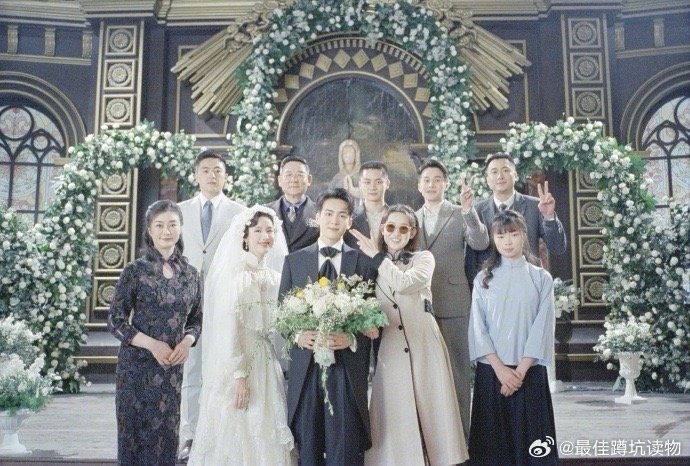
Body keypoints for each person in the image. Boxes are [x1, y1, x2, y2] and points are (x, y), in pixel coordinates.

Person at [351, 205, 469, 466]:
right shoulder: (370, 263)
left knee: (433, 408)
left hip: (424, 342)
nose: (396, 233)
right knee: (396, 411)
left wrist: (378, 257)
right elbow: (363, 301)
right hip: (390, 346)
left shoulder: (424, 258)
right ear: (382, 229)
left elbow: (405, 284)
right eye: (390, 227)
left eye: (403, 228)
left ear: (412, 232)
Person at [280, 188, 383, 466]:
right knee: (308, 444)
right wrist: (299, 335)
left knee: (344, 444)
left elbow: (374, 317)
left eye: (341, 215)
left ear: (349, 221)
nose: (334, 221)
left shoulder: (363, 262)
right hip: (306, 367)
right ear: (317, 217)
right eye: (328, 214)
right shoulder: (294, 260)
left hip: (346, 367)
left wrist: (351, 338)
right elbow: (281, 314)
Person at [188, 206, 294, 465]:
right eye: (258, 231)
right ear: (245, 236)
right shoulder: (235, 278)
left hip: (266, 363)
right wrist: (238, 375)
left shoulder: (275, 278)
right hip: (237, 365)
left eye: (270, 230)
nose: (265, 236)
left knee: (266, 427)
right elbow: (227, 331)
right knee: (237, 427)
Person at [108, 200, 202, 466]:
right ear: (149, 230)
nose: (166, 231)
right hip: (136, 369)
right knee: (135, 441)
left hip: (171, 371)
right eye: (159, 225)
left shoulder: (190, 274)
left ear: (181, 228)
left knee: (166, 440)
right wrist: (152, 345)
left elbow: (196, 319)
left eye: (172, 224)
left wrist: (187, 341)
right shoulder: (135, 271)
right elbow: (115, 321)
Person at [468, 210, 557, 465]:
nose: (507, 241)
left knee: (532, 447)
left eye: (513, 234)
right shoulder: (483, 279)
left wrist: (519, 372)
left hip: (529, 373)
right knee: (492, 450)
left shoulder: (540, 278)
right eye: (501, 236)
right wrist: (501, 370)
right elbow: (478, 328)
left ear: (524, 236)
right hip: (492, 373)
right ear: (493, 239)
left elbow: (542, 327)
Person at [178, 150, 246, 461]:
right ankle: (190, 434)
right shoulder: (180, 211)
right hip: (188, 303)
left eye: (217, 170)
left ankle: (222, 433)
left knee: (224, 366)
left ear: (226, 175)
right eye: (205, 170)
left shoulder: (240, 212)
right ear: (196, 175)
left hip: (225, 302)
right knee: (192, 369)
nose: (212, 175)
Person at [415, 159, 489, 440]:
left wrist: (469, 211)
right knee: (424, 374)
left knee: (457, 371)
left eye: (437, 180)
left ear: (445, 184)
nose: (431, 184)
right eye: (426, 180)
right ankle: (430, 439)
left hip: (455, 302)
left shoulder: (460, 213)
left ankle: (462, 438)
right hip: (418, 305)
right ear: (419, 185)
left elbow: (480, 242)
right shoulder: (411, 218)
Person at [465, 152, 567, 285]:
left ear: (516, 175)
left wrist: (549, 216)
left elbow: (558, 247)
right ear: (488, 180)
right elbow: (471, 258)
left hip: (528, 283)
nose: (500, 176)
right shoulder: (476, 211)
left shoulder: (536, 206)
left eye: (505, 170)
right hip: (490, 286)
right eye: (494, 172)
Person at [267, 155, 320, 253]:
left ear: (309, 180)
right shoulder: (266, 211)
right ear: (279, 180)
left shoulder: (320, 212)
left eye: (300, 175)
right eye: (288, 175)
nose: (294, 180)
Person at [344, 160, 390, 249]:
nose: (372, 187)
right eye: (367, 182)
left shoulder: (396, 216)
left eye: (378, 182)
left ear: (387, 183)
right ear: (360, 184)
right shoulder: (349, 217)